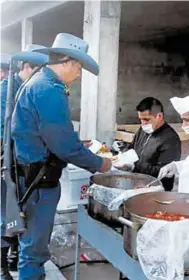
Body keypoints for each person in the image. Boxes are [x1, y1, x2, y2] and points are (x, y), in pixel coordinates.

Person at [11, 33, 112, 280]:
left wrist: (78, 145)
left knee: (31, 245)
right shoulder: (47, 89)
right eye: (78, 68)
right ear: (66, 61)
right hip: (38, 182)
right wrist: (101, 163)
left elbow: (53, 133)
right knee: (34, 250)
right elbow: (63, 145)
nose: (78, 75)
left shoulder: (39, 82)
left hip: (30, 175)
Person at [1, 45, 48, 280]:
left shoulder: (26, 87)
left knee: (19, 212)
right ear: (28, 68)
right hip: (7, 160)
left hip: (18, 161)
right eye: (38, 71)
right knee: (6, 212)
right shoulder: (7, 89)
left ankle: (13, 255)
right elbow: (4, 130)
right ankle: (2, 267)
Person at [116, 97, 181, 191]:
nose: (143, 123)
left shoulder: (170, 139)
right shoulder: (143, 130)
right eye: (141, 119)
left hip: (156, 190)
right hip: (136, 183)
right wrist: (123, 155)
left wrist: (135, 165)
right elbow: (132, 149)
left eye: (146, 119)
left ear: (159, 116)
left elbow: (163, 172)